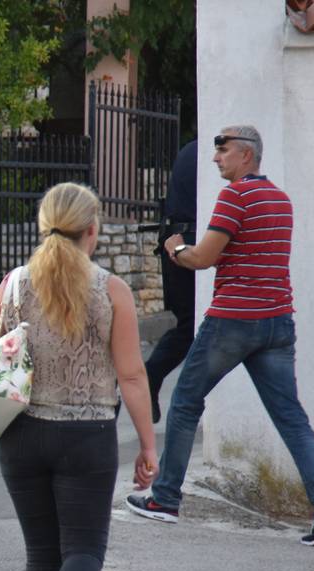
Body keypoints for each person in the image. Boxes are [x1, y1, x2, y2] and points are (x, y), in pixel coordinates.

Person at [126, 125, 314, 547]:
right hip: (277, 322)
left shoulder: (235, 196)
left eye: (223, 152)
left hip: (233, 321)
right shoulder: (280, 199)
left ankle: (164, 499)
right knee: (291, 417)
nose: (217, 159)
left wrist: (175, 248)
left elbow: (203, 258)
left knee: (184, 402)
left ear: (246, 155)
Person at [0, 182, 158, 571]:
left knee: (42, 553)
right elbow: (132, 376)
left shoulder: (14, 284)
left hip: (20, 435)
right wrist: (148, 446)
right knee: (83, 550)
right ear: (91, 230)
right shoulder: (111, 291)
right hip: (87, 438)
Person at [144, 139, 197, 423]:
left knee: (188, 325)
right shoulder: (212, 155)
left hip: (177, 241)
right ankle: (152, 376)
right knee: (193, 326)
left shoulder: (190, 149)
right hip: (187, 243)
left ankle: (152, 376)